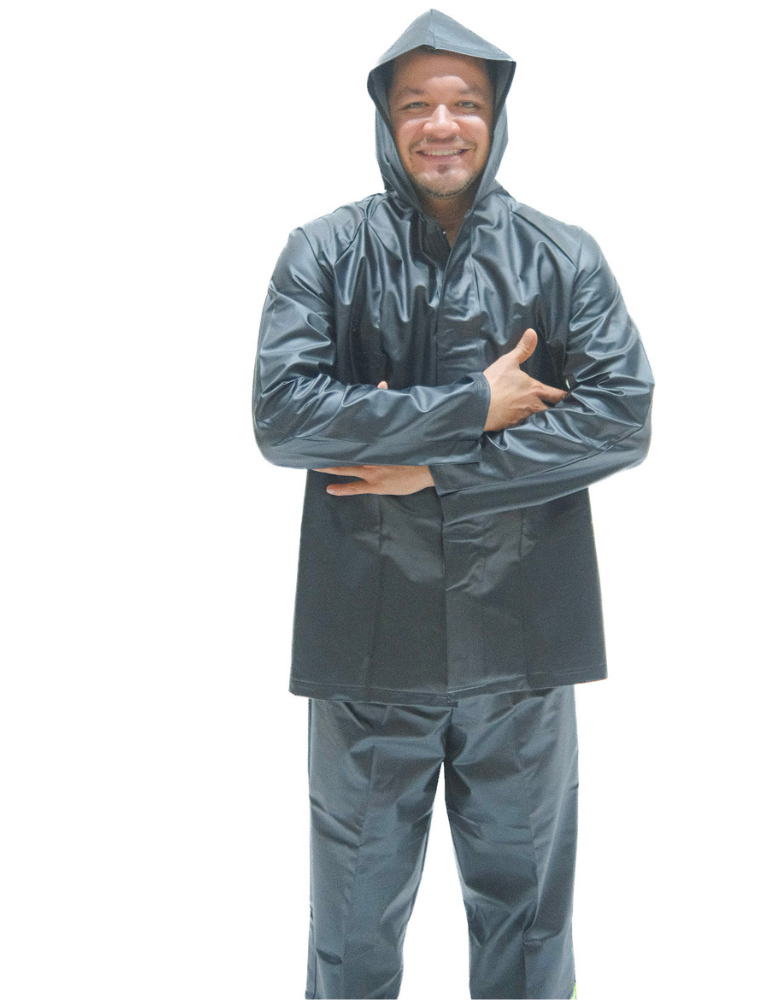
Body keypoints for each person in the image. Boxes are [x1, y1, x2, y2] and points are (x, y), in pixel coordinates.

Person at [252, 10, 654, 999]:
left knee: (528, 921)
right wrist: (473, 406)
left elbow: (620, 419)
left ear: (495, 116)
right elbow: (284, 414)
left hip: (521, 644)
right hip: (367, 647)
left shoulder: (562, 257)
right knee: (352, 923)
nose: (441, 124)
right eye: (416, 104)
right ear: (385, 119)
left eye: (464, 103)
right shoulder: (324, 253)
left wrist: (436, 468)